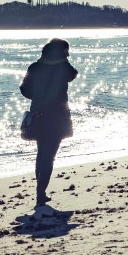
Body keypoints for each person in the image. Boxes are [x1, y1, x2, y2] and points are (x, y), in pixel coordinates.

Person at [20, 38, 77, 217]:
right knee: (49, 155)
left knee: (41, 152)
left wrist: (38, 97)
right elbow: (74, 74)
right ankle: (40, 194)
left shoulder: (34, 67)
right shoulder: (64, 67)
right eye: (66, 51)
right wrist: (63, 60)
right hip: (58, 114)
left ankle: (41, 192)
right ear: (62, 52)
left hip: (38, 113)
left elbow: (24, 89)